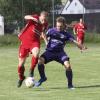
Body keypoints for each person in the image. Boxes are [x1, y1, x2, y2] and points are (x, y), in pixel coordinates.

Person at [35, 16, 85, 89]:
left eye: (60, 26)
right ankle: (43, 78)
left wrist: (80, 46)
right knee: (40, 61)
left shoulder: (66, 34)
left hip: (60, 53)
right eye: (57, 26)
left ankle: (70, 85)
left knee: (68, 66)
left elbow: (74, 41)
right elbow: (43, 37)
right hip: (50, 52)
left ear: (64, 25)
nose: (58, 27)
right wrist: (40, 40)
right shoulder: (51, 30)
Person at [17, 11, 48, 88]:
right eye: (42, 19)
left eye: (45, 19)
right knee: (20, 65)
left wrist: (46, 41)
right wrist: (32, 18)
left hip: (35, 42)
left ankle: (31, 71)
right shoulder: (35, 17)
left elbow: (43, 33)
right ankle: (21, 78)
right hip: (25, 42)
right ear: (40, 16)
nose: (43, 21)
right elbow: (25, 16)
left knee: (36, 53)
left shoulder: (45, 24)